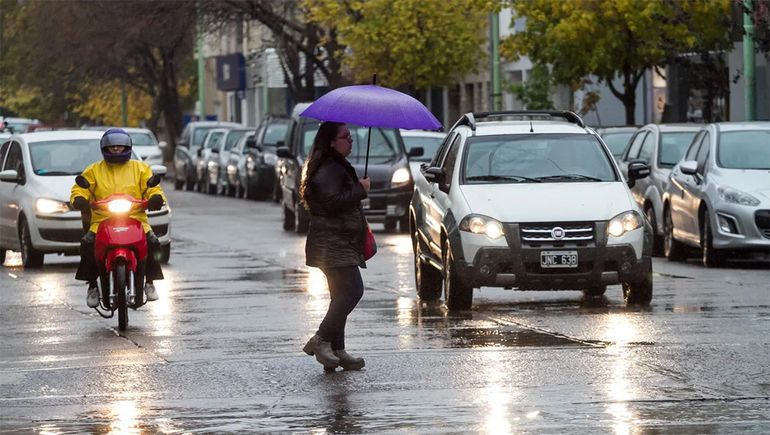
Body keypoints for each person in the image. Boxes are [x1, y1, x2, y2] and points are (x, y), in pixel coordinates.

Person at [300, 121, 371, 371]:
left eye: (351, 136)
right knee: (352, 292)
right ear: (331, 141)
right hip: (333, 244)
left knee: (339, 296)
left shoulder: (334, 164)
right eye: (345, 137)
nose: (350, 140)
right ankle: (320, 340)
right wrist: (359, 190)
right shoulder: (329, 168)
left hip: (336, 242)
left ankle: (337, 350)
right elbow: (331, 204)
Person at [70, 128, 166, 308]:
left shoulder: (141, 168)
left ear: (127, 147)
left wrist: (156, 198)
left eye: (120, 147)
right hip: (101, 220)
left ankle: (150, 282)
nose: (116, 150)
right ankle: (92, 285)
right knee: (87, 244)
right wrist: (79, 199)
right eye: (112, 147)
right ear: (104, 148)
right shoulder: (94, 170)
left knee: (153, 242)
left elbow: (153, 187)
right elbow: (80, 188)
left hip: (136, 219)